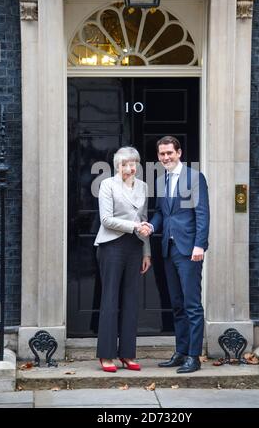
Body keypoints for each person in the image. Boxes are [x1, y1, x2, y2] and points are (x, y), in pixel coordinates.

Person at [141, 136, 210, 373]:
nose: (166, 157)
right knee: (177, 304)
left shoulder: (194, 177)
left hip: (189, 250)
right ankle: (181, 353)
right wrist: (151, 226)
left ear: (179, 152)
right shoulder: (161, 181)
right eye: (162, 154)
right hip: (168, 250)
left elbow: (202, 214)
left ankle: (194, 356)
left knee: (192, 305)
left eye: (169, 153)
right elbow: (162, 213)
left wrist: (200, 245)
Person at [94, 147, 151, 372]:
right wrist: (135, 226)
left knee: (131, 300)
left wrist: (147, 252)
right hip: (111, 246)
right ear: (117, 166)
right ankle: (106, 356)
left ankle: (127, 354)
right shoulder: (108, 185)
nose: (130, 168)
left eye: (133, 163)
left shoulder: (144, 187)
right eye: (125, 164)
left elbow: (144, 220)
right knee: (110, 300)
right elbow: (106, 219)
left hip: (135, 247)